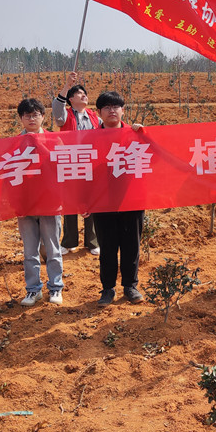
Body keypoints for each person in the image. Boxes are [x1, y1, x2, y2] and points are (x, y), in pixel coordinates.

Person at [91, 91, 146, 306]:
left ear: (123, 110)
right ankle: (107, 288)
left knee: (132, 244)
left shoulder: (136, 134)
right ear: (99, 113)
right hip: (103, 201)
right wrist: (85, 200)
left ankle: (130, 286)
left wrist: (143, 134)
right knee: (107, 246)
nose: (112, 110)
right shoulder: (90, 139)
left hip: (131, 198)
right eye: (107, 107)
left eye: (116, 106)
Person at [16, 98, 64, 306]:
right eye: (27, 115)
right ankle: (33, 290)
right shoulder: (13, 144)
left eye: (35, 114)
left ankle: (55, 288)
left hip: (49, 203)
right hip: (25, 205)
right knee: (29, 251)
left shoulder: (55, 141)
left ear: (43, 117)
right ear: (21, 119)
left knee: (53, 248)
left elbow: (63, 171)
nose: (31, 118)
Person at [52, 71, 101, 256]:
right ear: (71, 99)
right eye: (79, 93)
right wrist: (67, 84)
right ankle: (69, 241)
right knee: (70, 203)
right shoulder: (65, 116)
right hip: (71, 162)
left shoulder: (95, 117)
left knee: (93, 203)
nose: (84, 95)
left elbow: (113, 129)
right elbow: (57, 106)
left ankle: (92, 241)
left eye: (85, 93)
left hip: (91, 164)